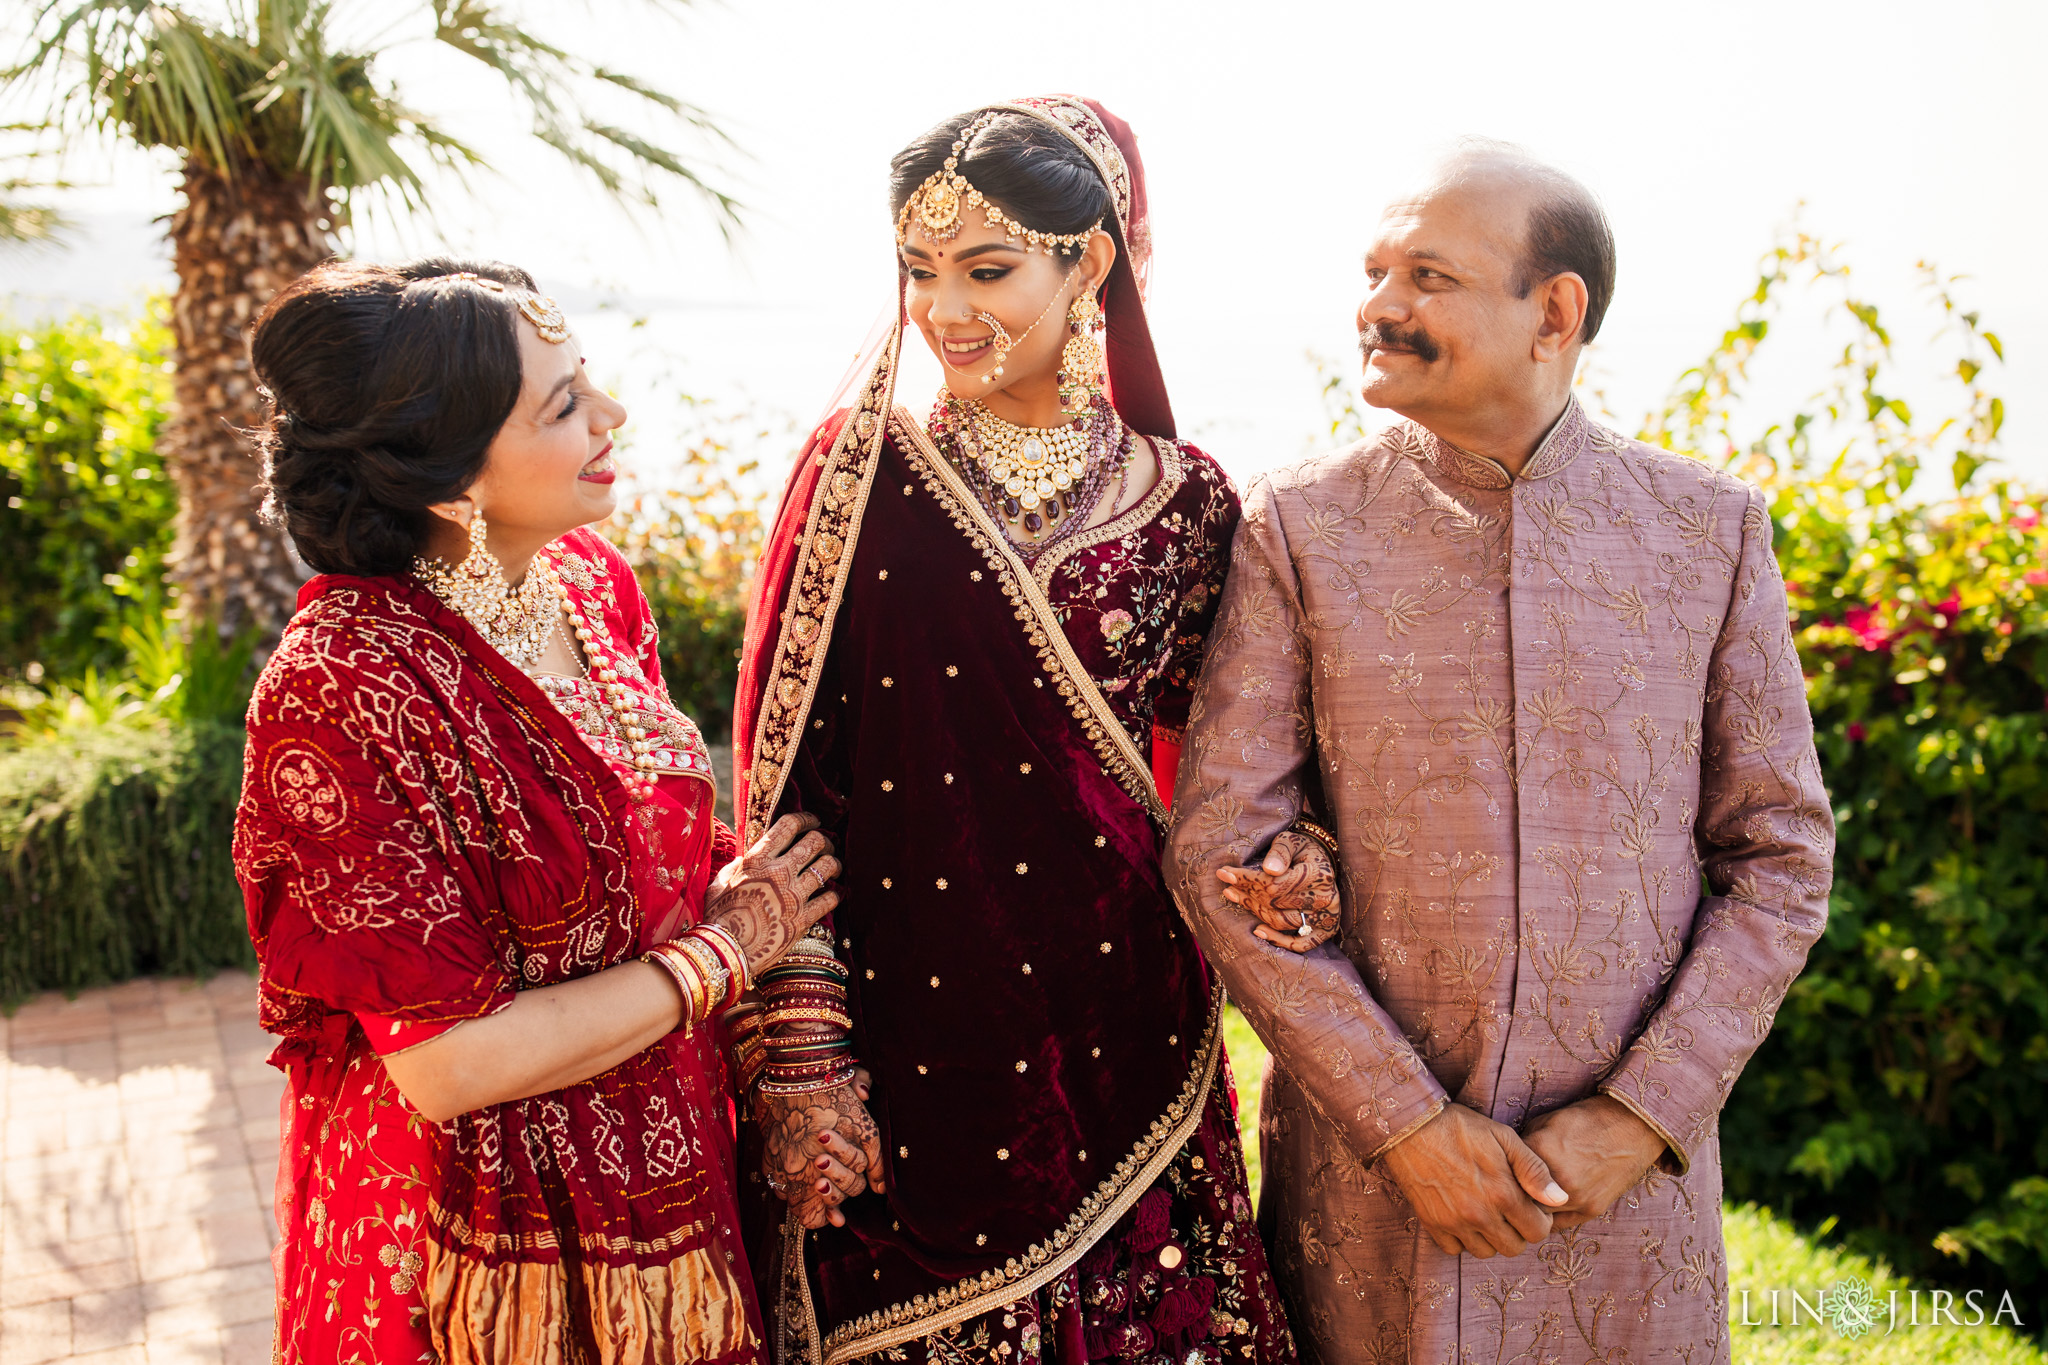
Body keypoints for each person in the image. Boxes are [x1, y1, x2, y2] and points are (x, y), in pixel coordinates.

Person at [1165, 142, 1836, 1365]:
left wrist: (1639, 1117)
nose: (1377, 305)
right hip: (1372, 1196)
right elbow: (1219, 846)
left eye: (1425, 275)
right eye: (1372, 272)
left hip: (1623, 1208)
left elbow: (1778, 858)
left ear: (1554, 311)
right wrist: (1405, 1125)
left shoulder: (1707, 532)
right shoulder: (1297, 526)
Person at [729, 97, 1302, 1365]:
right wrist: (805, 1060)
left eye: (986, 270)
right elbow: (783, 789)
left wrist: (1291, 853)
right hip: (906, 1041)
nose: (943, 310)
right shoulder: (854, 473)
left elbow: (1235, 767)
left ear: (1086, 263)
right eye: (918, 273)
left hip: (1128, 1035)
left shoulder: (1185, 499)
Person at [234, 258, 840, 1364]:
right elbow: (445, 1063)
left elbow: (659, 860)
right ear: (448, 475)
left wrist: (786, 1012)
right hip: (475, 1224)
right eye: (563, 405)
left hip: (669, 1154)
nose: (610, 414)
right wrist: (727, 954)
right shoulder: (343, 684)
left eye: (587, 383)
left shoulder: (586, 582)